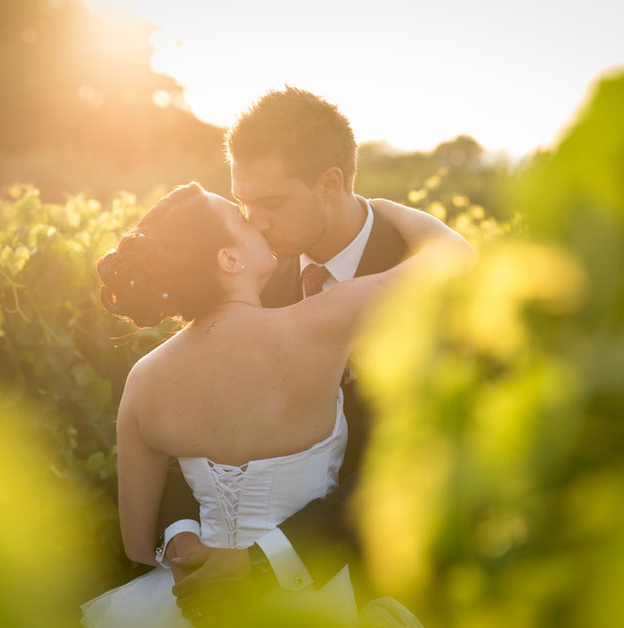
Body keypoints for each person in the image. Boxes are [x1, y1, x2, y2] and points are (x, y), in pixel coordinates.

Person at [78, 179, 472, 626]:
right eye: (241, 219)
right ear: (229, 259)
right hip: (316, 605)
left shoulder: (143, 380)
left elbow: (135, 543)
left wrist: (184, 544)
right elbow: (451, 262)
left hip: (186, 605)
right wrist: (382, 206)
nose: (257, 224)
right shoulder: (321, 325)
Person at [159, 88, 437, 624]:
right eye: (244, 203)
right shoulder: (247, 283)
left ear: (329, 183)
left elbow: (411, 463)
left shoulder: (423, 275)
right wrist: (183, 534)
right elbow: (189, 417)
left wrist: (261, 564)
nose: (254, 223)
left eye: (272, 202)